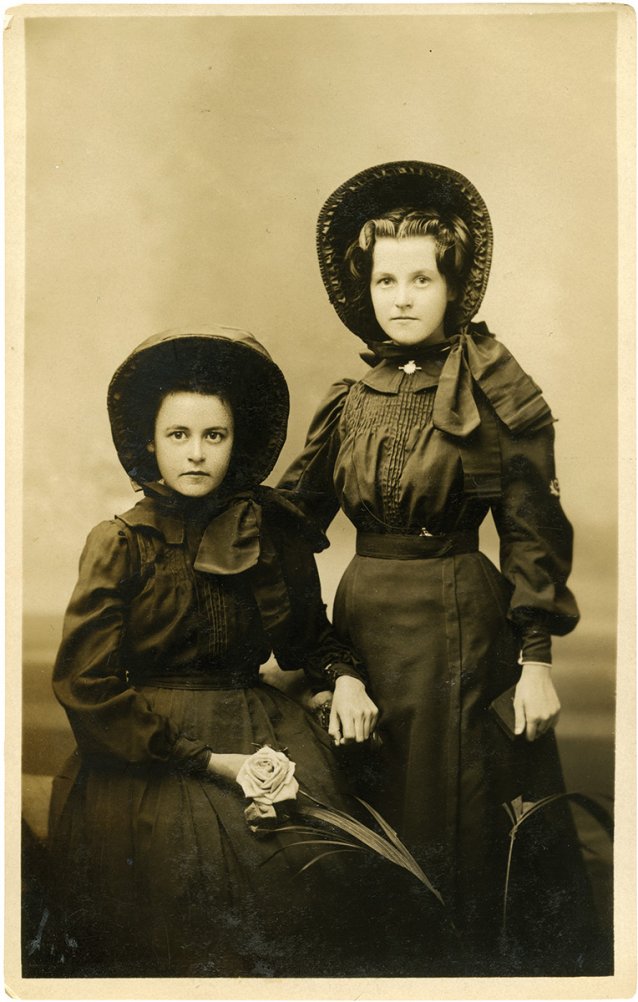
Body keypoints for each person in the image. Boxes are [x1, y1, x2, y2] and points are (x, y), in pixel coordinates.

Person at [278, 161, 602, 974]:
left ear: (453, 286)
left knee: (462, 829)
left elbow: (532, 531)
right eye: (387, 278)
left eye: (422, 276)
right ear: (365, 288)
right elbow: (285, 531)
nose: (403, 296)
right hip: (364, 632)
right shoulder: (349, 399)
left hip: (465, 632)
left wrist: (536, 662)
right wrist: (326, 663)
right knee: (364, 817)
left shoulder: (496, 393)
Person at [47, 325, 380, 978]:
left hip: (260, 723)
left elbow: (309, 639)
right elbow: (86, 685)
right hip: (154, 748)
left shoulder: (267, 528)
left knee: (323, 873)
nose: (196, 453)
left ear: (237, 442)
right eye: (179, 436)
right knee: (185, 879)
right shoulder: (121, 543)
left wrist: (345, 679)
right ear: (150, 442)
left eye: (214, 436)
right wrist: (208, 761)